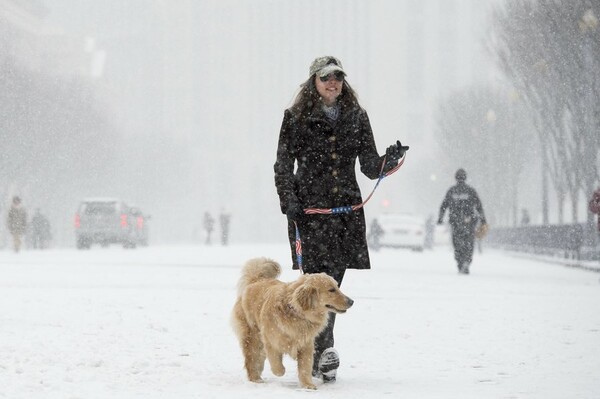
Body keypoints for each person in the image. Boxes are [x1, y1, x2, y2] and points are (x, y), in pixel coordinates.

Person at [274, 55, 408, 383]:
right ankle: (322, 351)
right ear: (313, 83)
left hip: (346, 215)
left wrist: (389, 160)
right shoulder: (295, 117)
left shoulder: (356, 117)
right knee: (318, 285)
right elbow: (282, 164)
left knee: (332, 284)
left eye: (338, 77)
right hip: (311, 214)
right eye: (326, 78)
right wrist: (288, 200)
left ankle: (315, 351)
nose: (333, 83)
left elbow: (368, 166)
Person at [437, 169, 487, 274]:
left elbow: (443, 206)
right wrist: (483, 220)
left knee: (457, 243)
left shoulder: (451, 191)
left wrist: (440, 219)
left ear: (456, 178)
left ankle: (460, 262)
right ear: (465, 178)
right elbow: (479, 206)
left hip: (455, 222)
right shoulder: (471, 191)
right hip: (469, 222)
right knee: (468, 243)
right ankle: (466, 261)